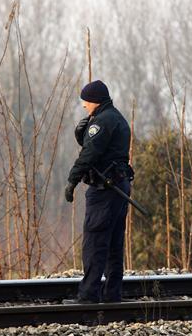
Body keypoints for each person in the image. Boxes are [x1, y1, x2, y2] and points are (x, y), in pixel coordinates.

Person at [64, 80, 133, 303]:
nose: (84, 105)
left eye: (86, 101)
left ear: (94, 100)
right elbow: (103, 149)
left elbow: (89, 154)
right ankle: (112, 294)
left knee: (95, 241)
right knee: (114, 243)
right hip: (119, 187)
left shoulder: (102, 121)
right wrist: (81, 136)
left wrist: (72, 181)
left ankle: (88, 295)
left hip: (104, 190)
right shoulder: (116, 118)